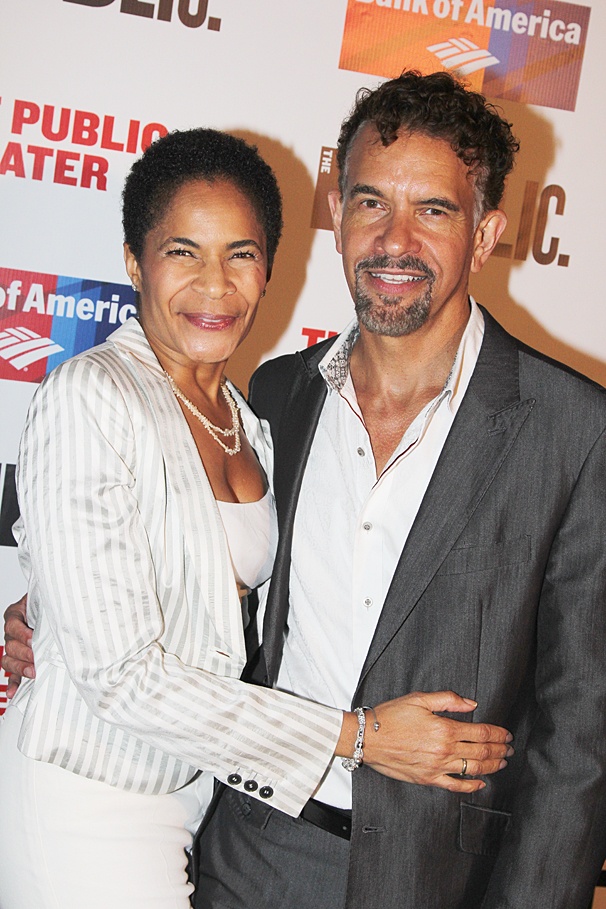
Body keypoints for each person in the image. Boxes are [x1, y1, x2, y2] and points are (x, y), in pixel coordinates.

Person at [0, 124, 513, 909]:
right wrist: (364, 736)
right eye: (183, 252)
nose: (215, 286)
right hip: (85, 790)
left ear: (270, 268)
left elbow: (222, 610)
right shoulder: (93, 394)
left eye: (240, 254)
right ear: (135, 261)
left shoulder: (251, 419)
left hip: (194, 795)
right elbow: (123, 677)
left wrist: (47, 611)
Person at [189, 72, 606, 908]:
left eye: (434, 210)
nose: (394, 240)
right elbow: (216, 593)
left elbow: (581, 735)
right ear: (337, 213)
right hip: (249, 851)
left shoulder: (573, 430)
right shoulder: (276, 394)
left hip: (436, 880)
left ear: (485, 235)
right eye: (371, 202)